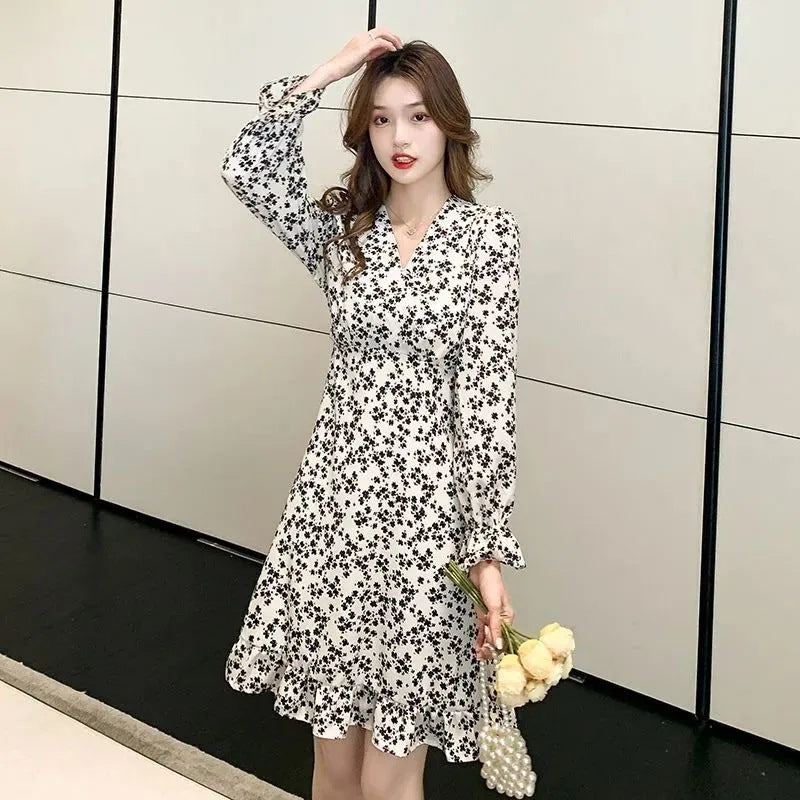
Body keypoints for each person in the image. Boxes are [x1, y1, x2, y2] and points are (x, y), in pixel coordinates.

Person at [221, 30, 527, 800]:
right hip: (333, 514)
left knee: (390, 776)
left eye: (418, 116)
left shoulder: (487, 240)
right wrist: (331, 71)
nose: (400, 138)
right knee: (333, 766)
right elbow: (248, 168)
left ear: (449, 123)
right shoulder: (344, 234)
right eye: (382, 119)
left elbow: (487, 402)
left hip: (426, 528)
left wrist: (487, 552)